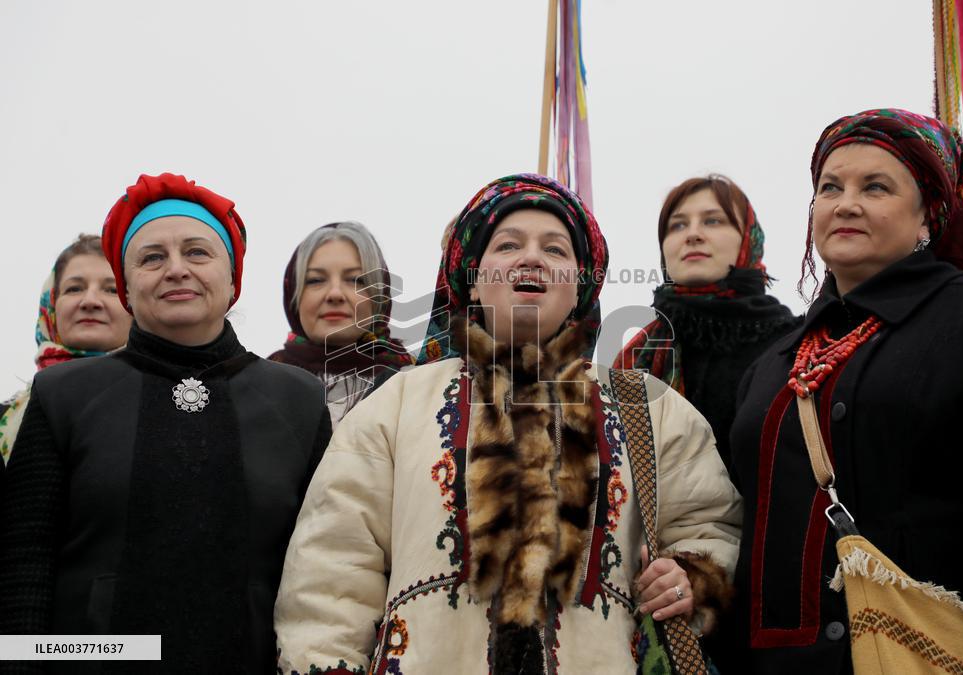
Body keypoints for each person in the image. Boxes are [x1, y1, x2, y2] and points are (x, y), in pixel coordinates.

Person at [273, 173, 741, 674]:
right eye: (508, 245)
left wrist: (691, 577)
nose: (532, 258)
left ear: (581, 284)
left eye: (556, 250)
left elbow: (710, 524)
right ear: (473, 279)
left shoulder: (651, 408)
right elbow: (330, 572)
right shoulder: (396, 403)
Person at [0, 173, 332, 674]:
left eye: (198, 253)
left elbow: (326, 565)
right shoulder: (64, 395)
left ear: (233, 277)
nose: (176, 269)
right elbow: (23, 564)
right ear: (127, 285)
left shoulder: (298, 401)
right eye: (152, 257)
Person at [729, 109, 963, 674]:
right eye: (830, 188)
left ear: (928, 213)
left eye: (875, 187)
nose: (845, 204)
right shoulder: (773, 360)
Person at [614, 175, 798, 474]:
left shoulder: (791, 346)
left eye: (713, 221)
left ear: (748, 241)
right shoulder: (637, 356)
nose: (693, 235)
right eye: (678, 225)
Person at [1, 234, 132, 471]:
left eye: (112, 290)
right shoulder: (8, 415)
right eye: (74, 288)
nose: (90, 301)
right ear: (51, 306)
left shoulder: (163, 400)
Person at [268, 222, 413, 430]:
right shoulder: (259, 385)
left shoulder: (416, 386)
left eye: (356, 280)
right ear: (294, 296)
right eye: (316, 280)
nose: (334, 294)